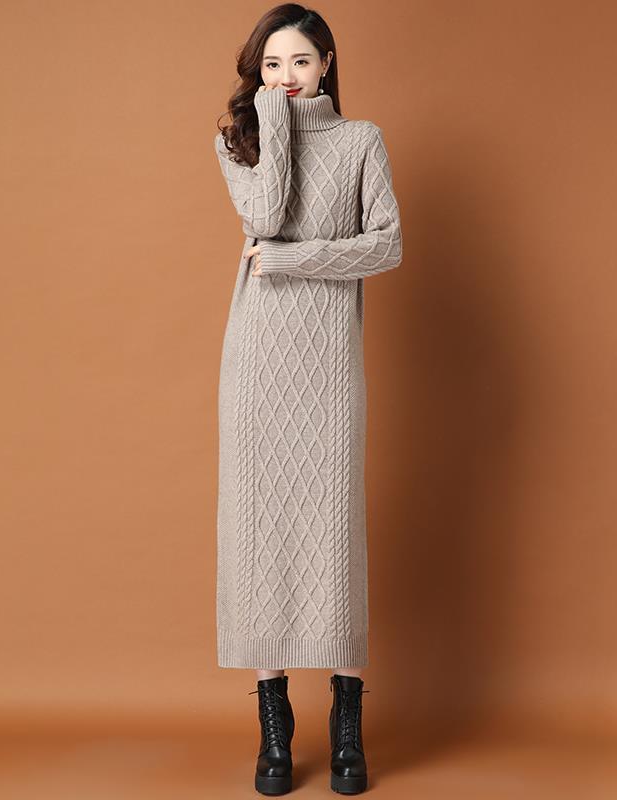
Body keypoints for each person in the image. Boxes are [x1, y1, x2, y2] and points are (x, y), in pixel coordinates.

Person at [213, 3, 402, 794]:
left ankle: (347, 726)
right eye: (270, 65)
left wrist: (294, 260)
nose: (285, 77)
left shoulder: (362, 141)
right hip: (257, 361)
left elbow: (387, 244)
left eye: (298, 61)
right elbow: (264, 215)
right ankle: (275, 727)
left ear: (326, 63)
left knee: (334, 531)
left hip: (328, 365)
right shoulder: (241, 138)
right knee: (259, 534)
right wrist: (276, 125)